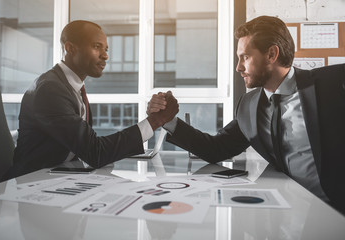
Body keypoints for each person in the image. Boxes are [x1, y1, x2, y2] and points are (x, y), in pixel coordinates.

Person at [148, 16, 345, 215]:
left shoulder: (334, 83)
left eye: (245, 57)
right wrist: (169, 121)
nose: (238, 67)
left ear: (271, 54)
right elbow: (216, 149)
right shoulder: (248, 105)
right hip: (289, 211)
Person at [4, 20, 178, 179]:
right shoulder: (50, 89)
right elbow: (96, 152)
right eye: (97, 46)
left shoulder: (72, 86)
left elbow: (88, 147)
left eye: (106, 49)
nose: (105, 56)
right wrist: (155, 121)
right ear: (70, 48)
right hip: (34, 183)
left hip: (62, 175)